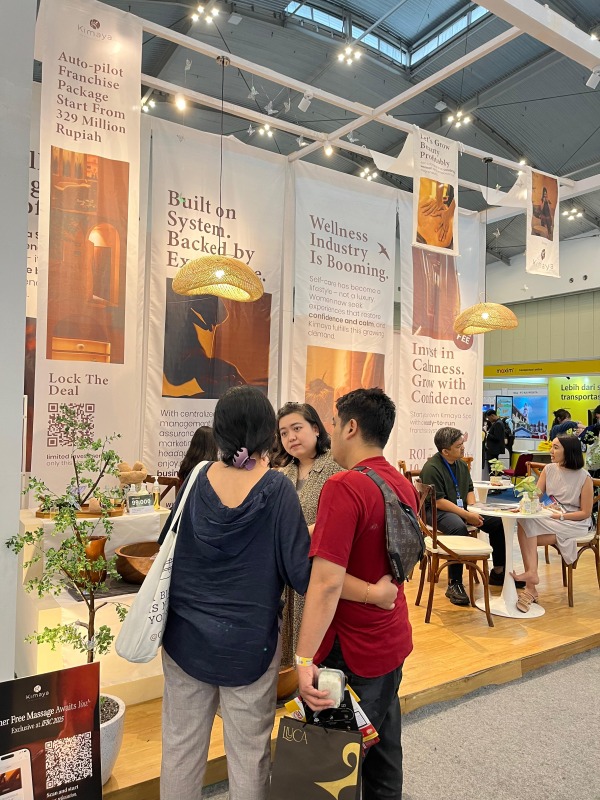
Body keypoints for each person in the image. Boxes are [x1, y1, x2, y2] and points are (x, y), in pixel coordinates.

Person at [160, 386, 311, 800]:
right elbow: (302, 575)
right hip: (249, 645)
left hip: (184, 639)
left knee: (180, 748)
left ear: (220, 431)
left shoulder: (196, 478)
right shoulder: (278, 489)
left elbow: (167, 545)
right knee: (249, 755)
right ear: (267, 433)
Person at [295, 388, 418, 800]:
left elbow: (327, 582)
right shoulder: (400, 482)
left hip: (350, 650)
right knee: (383, 751)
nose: (330, 430)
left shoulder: (344, 485)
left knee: (329, 769)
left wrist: (303, 659)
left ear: (350, 427)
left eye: (333, 422)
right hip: (390, 639)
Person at [275, 401, 398, 666]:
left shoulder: (337, 468)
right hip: (290, 573)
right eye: (284, 433)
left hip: (324, 572)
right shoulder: (283, 474)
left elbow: (341, 523)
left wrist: (295, 535)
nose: (291, 437)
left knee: (315, 648)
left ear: (316, 429)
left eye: (297, 428)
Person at [420, 427, 524, 606]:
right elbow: (439, 502)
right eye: (458, 445)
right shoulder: (432, 468)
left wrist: (475, 509)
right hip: (437, 511)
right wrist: (467, 515)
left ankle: (498, 572)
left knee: (498, 522)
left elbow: (469, 490)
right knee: (457, 527)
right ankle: (454, 583)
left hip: (460, 509)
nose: (463, 448)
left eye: (462, 444)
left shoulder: (460, 464)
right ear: (445, 451)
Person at [512, 435, 593, 612]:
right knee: (525, 522)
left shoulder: (584, 477)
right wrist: (524, 504)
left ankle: (531, 586)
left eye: (556, 448)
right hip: (552, 517)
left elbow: (585, 513)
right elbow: (536, 495)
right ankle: (532, 581)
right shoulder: (549, 469)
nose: (551, 451)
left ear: (568, 451)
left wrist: (560, 517)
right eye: (552, 446)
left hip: (574, 521)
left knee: (528, 531)